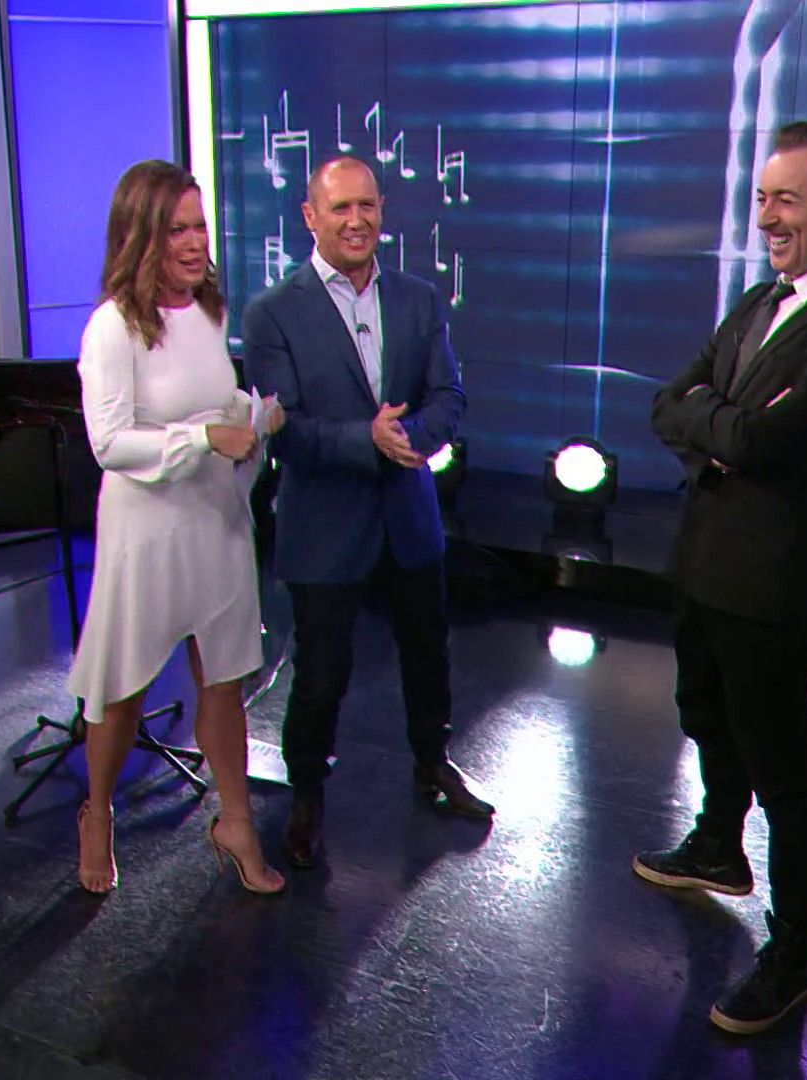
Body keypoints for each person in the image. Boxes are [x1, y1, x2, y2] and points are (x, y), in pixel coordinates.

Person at [640, 120, 807, 1034]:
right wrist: (722, 429)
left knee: (783, 770)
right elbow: (668, 403)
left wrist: (718, 425)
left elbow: (764, 440)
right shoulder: (761, 301)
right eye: (762, 198)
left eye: (786, 200)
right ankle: (718, 844)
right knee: (704, 715)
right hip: (703, 559)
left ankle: (791, 952)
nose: (766, 218)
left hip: (771, 581)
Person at [242, 155, 494, 870]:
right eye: (340, 208)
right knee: (321, 671)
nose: (356, 221)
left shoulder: (418, 299)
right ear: (310, 217)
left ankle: (432, 764)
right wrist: (367, 440)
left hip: (408, 513)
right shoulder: (271, 314)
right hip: (324, 522)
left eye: (367, 206)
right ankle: (307, 792)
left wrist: (409, 437)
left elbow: (449, 395)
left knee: (427, 652)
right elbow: (283, 428)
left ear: (382, 211)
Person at [65, 159, 285, 896]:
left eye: (199, 227)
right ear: (140, 237)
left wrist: (252, 422)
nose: (195, 244)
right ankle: (98, 812)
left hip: (216, 517)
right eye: (176, 230)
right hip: (148, 527)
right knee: (124, 683)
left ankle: (236, 824)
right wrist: (202, 439)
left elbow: (214, 406)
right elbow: (108, 443)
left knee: (224, 675)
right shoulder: (112, 328)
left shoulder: (210, 312)